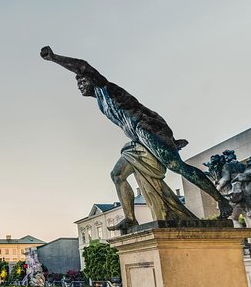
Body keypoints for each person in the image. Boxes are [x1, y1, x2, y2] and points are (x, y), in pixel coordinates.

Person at [40, 46, 231, 230]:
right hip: (138, 140)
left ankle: (222, 201)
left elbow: (83, 65)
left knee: (176, 166)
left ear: (91, 80)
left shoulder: (106, 88)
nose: (80, 87)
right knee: (117, 175)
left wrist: (54, 58)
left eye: (82, 82)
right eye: (78, 84)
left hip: (147, 129)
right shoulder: (100, 102)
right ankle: (130, 219)